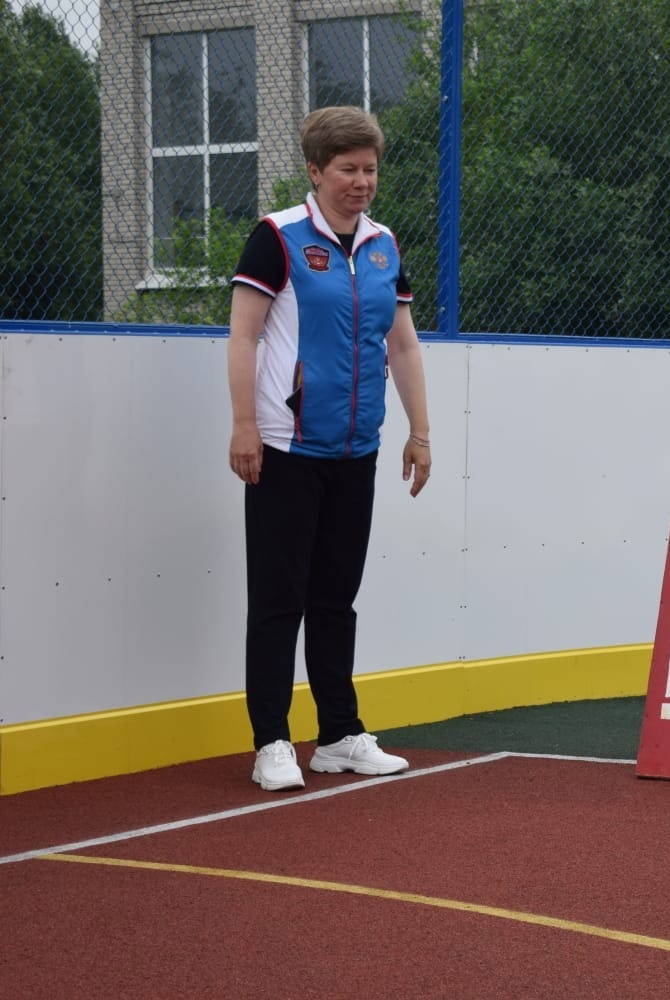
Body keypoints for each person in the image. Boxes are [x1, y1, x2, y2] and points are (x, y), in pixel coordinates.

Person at [227, 106, 432, 792]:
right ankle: (272, 741)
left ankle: (339, 734)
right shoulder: (277, 238)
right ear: (315, 170)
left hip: (356, 450)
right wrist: (244, 425)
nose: (362, 181)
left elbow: (400, 342)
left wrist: (420, 431)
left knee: (336, 599)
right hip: (286, 447)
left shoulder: (383, 246)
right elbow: (244, 339)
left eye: (370, 168)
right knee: (278, 599)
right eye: (347, 168)